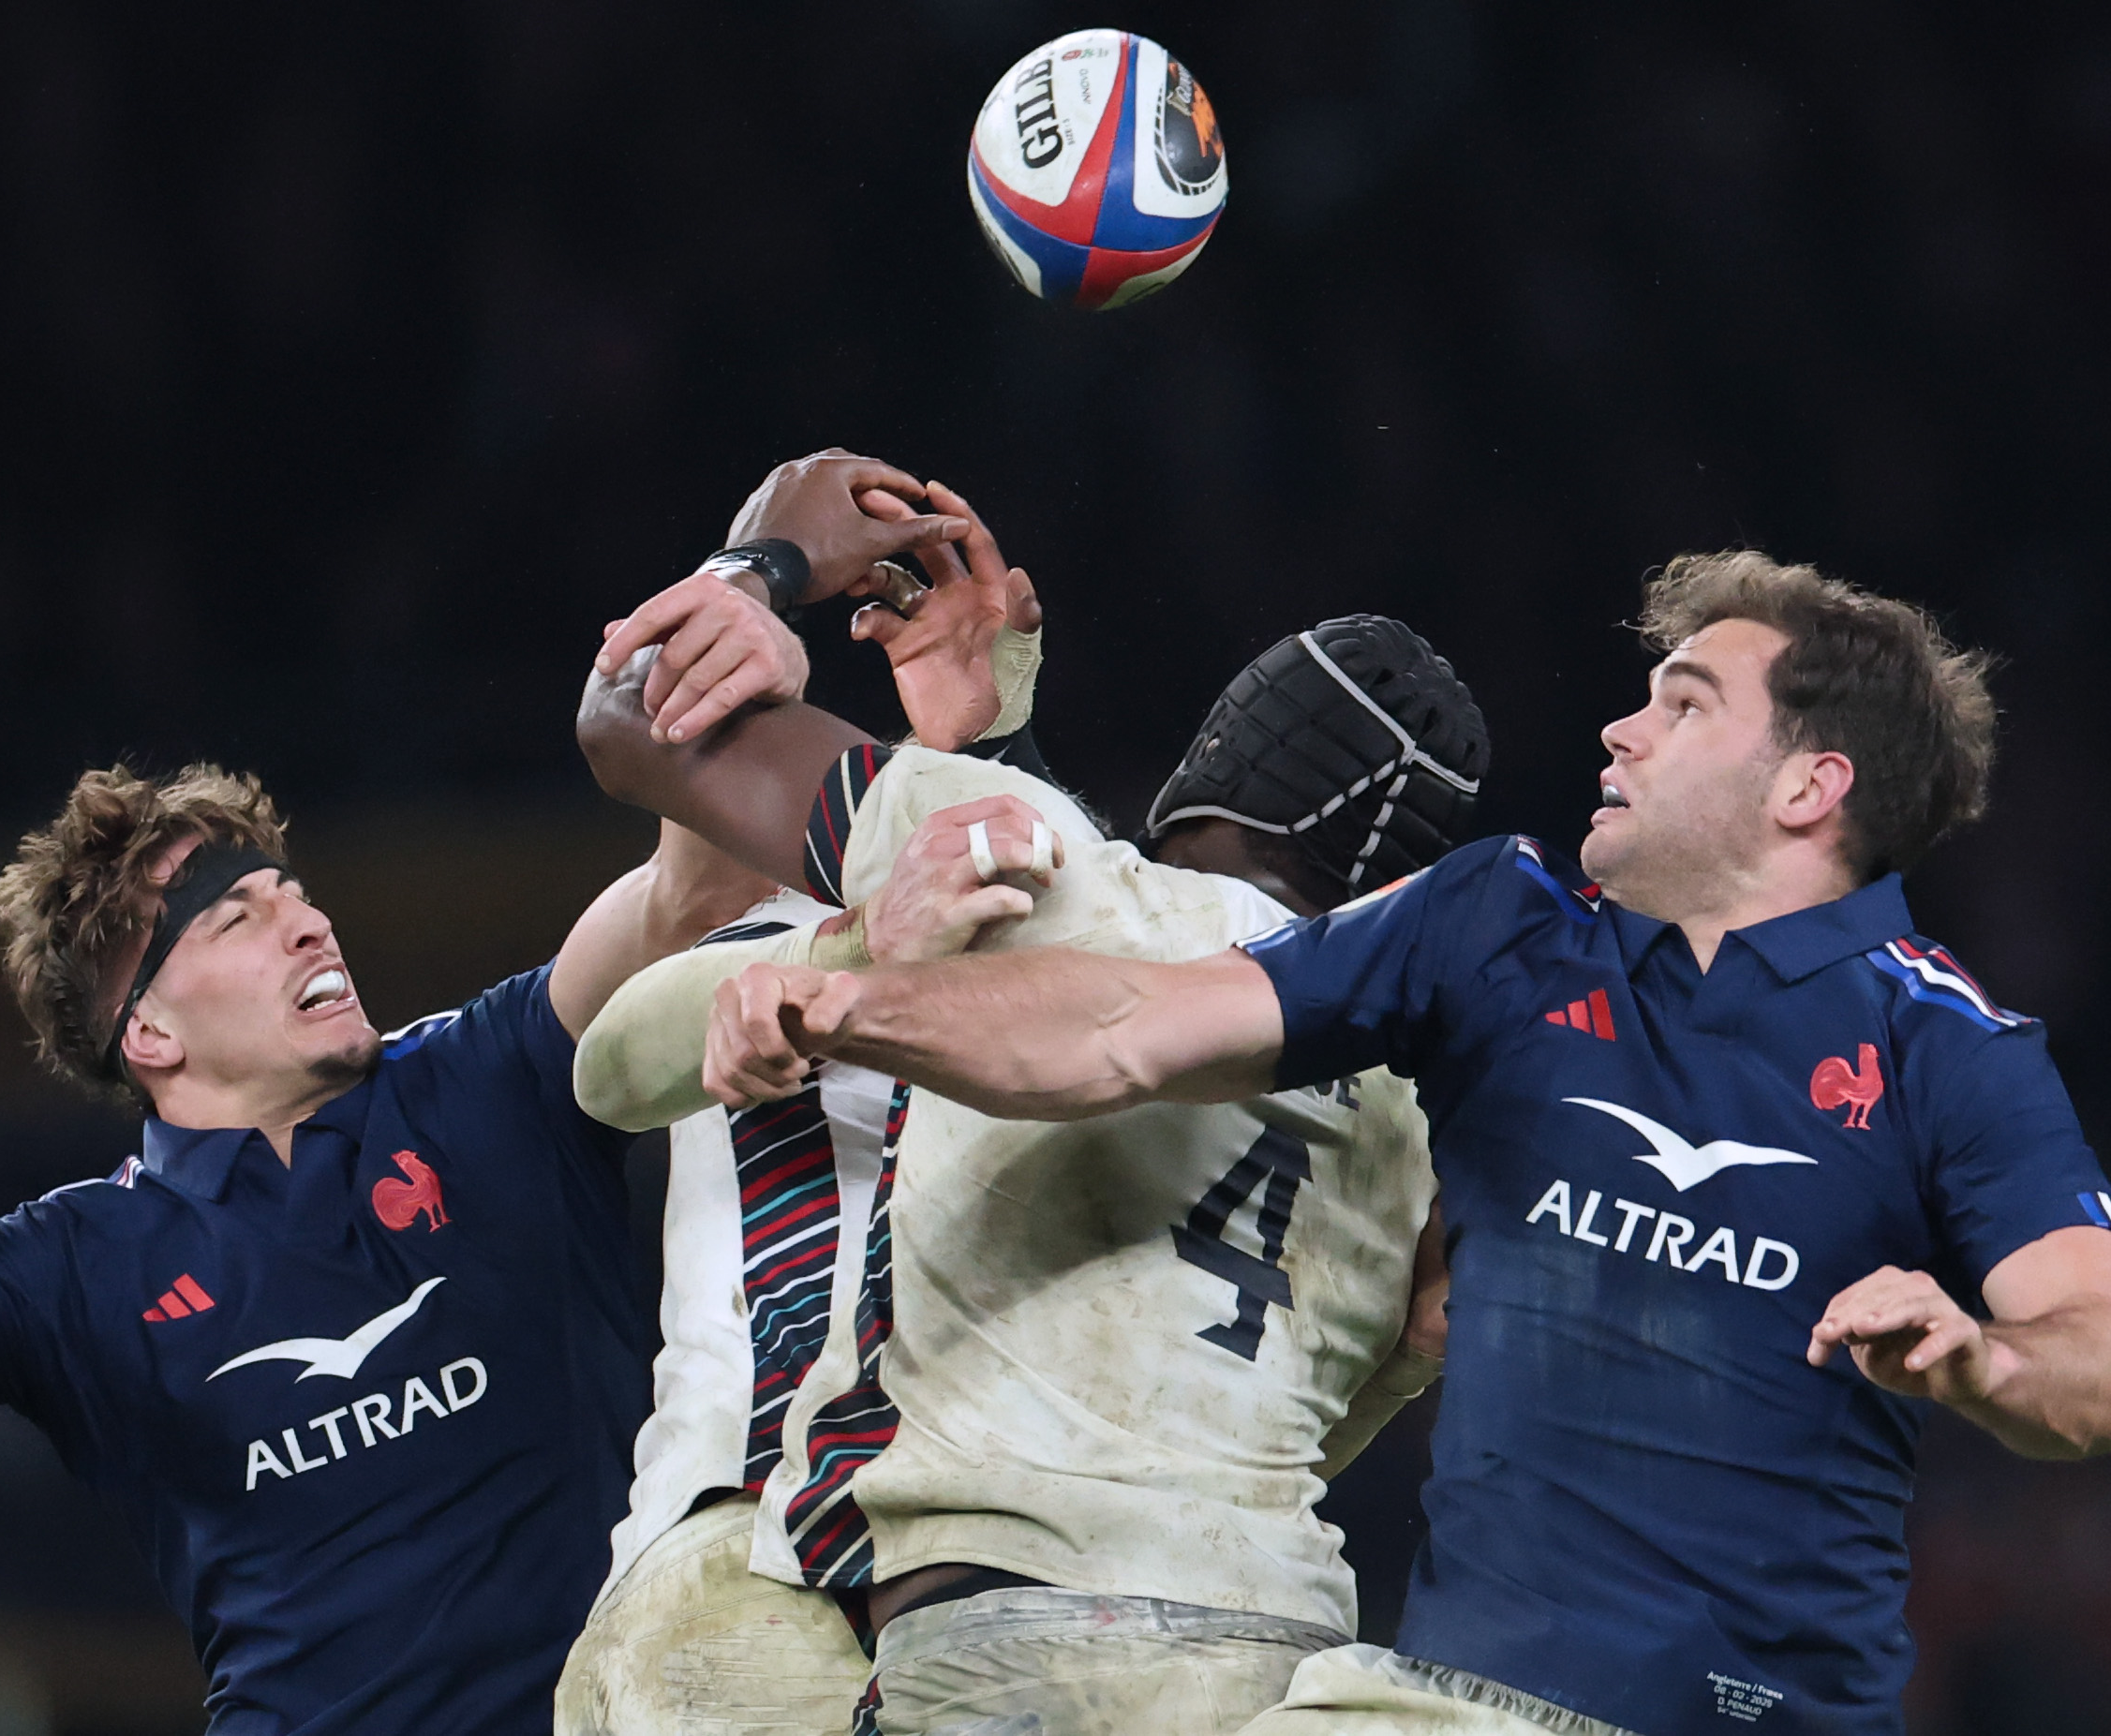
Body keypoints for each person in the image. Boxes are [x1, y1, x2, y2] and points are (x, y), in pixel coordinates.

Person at [704, 551, 2111, 1736]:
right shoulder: (1502, 927)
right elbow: (1121, 1029)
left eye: (1682, 703)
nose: (1620, 728)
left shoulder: (1951, 1047)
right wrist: (855, 1009)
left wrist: (1983, 1355)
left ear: (1808, 785)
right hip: (1445, 1701)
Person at [0, 455, 973, 1736]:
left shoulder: (489, 1073)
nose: (306, 924)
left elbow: (692, 889)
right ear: (152, 1032)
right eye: (239, 916)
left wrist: (746, 582)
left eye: (294, 892)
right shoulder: (77, 1268)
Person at [572, 486, 1489, 1735]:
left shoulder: (1012, 856)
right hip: (1265, 1620)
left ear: (1213, 758)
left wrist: (760, 569)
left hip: (968, 1593)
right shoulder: (1419, 1094)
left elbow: (631, 749)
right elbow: (1406, 1354)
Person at [554, 461, 1055, 1735]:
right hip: (733, 1531)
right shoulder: (728, 915)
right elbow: (611, 1066)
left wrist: (991, 743)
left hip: (948, 1536)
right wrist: (760, 566)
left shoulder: (1047, 950)